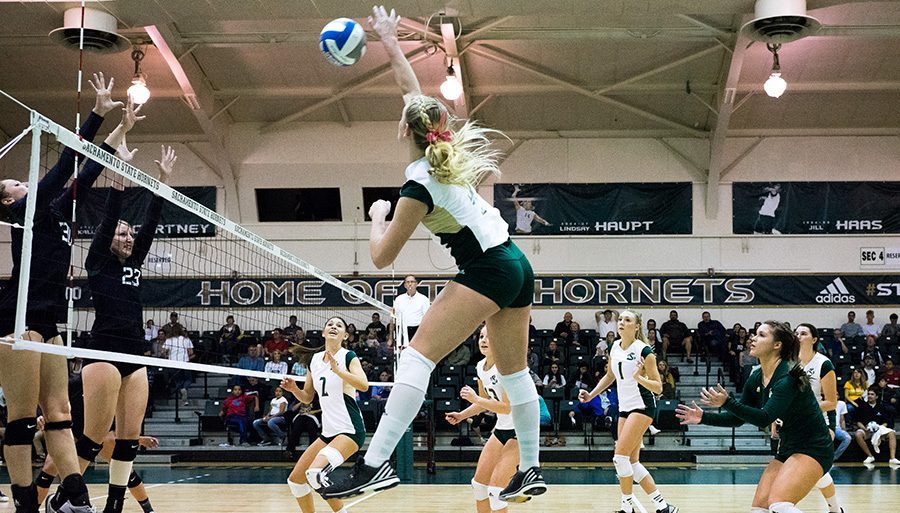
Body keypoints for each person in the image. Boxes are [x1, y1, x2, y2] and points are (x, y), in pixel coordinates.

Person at [321, 6, 544, 503]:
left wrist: (376, 218)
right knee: (515, 372)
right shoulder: (450, 152)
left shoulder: (417, 183)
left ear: (404, 131)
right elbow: (411, 95)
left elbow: (381, 259)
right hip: (517, 264)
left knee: (418, 358)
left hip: (487, 269)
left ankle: (374, 464)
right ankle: (530, 468)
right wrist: (387, 38)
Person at [0, 74, 127, 513]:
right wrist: (96, 113)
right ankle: (23, 503)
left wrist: (119, 131)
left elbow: (87, 170)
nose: (22, 183)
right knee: (19, 416)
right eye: (15, 181)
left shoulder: (54, 211)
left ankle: (74, 496)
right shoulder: (23, 211)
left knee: (59, 413)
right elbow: (65, 164)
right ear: (7, 200)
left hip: (49, 318)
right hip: (16, 317)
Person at [76, 143, 175, 513]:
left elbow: (150, 221)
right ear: (108, 240)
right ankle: (67, 494)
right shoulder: (99, 260)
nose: (128, 238)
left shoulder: (135, 260)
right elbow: (110, 215)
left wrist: (163, 181)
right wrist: (119, 171)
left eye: (130, 235)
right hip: (103, 350)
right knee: (91, 439)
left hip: (136, 354)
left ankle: (114, 506)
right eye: (121, 234)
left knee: (128, 441)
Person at [677, 321, 834, 513]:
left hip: (814, 447)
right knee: (759, 509)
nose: (753, 338)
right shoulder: (756, 376)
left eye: (761, 335)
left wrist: (727, 402)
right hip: (788, 447)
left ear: (777, 345)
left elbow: (764, 418)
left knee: (780, 505)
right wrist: (703, 418)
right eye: (754, 334)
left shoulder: (787, 378)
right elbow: (738, 418)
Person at [580, 310, 677, 513]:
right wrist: (591, 395)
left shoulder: (645, 352)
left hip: (642, 406)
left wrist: (639, 378)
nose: (622, 322)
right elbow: (609, 376)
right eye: (621, 319)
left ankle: (626, 507)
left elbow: (659, 388)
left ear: (637, 326)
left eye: (627, 320)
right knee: (632, 462)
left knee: (620, 458)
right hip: (624, 408)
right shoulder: (614, 346)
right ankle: (662, 506)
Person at [282, 317, 368, 513]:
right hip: (329, 432)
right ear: (323, 332)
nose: (333, 327)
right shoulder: (314, 360)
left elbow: (363, 385)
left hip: (350, 429)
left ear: (345, 335)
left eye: (339, 326)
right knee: (296, 480)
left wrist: (338, 371)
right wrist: (294, 389)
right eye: (330, 324)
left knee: (315, 473)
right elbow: (306, 397)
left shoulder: (349, 356)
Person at [445, 327, 519, 513]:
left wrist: (476, 399)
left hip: (520, 431)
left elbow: (507, 406)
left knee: (496, 491)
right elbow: (485, 402)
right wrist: (462, 415)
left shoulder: (505, 367)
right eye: (481, 336)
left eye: (489, 337)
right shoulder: (480, 367)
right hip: (501, 428)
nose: (484, 340)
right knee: (479, 486)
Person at [796, 324, 844, 513]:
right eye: (796, 333)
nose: (798, 336)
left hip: (822, 420)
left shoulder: (823, 363)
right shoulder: (791, 364)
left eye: (803, 333)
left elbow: (831, 402)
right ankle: (835, 510)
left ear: (814, 339)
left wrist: (805, 409)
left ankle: (784, 505)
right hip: (797, 422)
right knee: (818, 472)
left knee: (811, 467)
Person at [853, 389, 899, 466]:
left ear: (876, 396)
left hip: (879, 430)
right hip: (866, 430)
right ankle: (870, 456)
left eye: (872, 394)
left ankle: (892, 458)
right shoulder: (862, 406)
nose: (870, 396)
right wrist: (865, 428)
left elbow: (886, 422)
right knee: (858, 434)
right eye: (869, 394)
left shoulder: (882, 406)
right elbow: (858, 422)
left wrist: (879, 428)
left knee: (891, 433)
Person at [393, 275, 430, 345]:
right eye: (407, 282)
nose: (410, 284)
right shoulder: (399, 299)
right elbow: (394, 317)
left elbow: (427, 318)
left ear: (416, 284)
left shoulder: (423, 299)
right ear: (404, 285)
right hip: (402, 331)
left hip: (418, 331)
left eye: (412, 282)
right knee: (404, 353)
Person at [162, 325, 194, 406]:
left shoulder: (169, 340)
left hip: (173, 363)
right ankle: (184, 389)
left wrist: (168, 354)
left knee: (178, 381)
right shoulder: (186, 339)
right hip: (184, 362)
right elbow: (191, 352)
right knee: (188, 379)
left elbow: (163, 352)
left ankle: (183, 397)